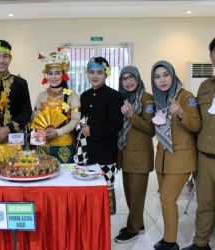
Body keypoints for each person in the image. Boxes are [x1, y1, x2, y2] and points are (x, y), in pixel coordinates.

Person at [182, 33, 215, 250]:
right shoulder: (204, 87)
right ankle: (201, 244)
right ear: (211, 56)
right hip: (204, 159)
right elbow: (197, 123)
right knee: (204, 206)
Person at [151, 60, 201, 250]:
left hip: (181, 158)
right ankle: (167, 237)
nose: (162, 80)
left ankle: (170, 242)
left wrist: (180, 112)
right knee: (166, 199)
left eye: (166, 75)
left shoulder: (186, 96)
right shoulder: (159, 99)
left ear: (173, 76)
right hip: (163, 157)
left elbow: (196, 125)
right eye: (157, 76)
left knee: (167, 198)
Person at [77, 57, 123, 215]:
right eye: (91, 72)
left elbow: (116, 125)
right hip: (85, 152)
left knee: (104, 194)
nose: (95, 76)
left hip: (105, 153)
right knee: (87, 195)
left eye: (99, 72)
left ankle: (103, 232)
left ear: (106, 74)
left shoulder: (114, 96)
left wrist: (93, 131)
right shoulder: (84, 96)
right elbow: (81, 119)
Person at [114, 66, 155, 242]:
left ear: (138, 79)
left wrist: (131, 114)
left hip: (139, 156)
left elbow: (150, 128)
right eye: (124, 79)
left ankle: (133, 229)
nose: (128, 82)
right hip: (125, 154)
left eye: (131, 78)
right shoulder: (122, 98)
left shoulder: (147, 99)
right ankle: (139, 223)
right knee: (130, 193)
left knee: (137, 195)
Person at [31, 47, 80, 163]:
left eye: (57, 73)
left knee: (65, 179)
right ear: (46, 75)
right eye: (50, 73)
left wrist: (58, 132)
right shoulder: (41, 95)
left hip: (65, 145)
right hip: (43, 145)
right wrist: (40, 130)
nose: (53, 77)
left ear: (63, 74)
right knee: (43, 176)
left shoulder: (73, 96)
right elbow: (36, 118)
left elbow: (75, 120)